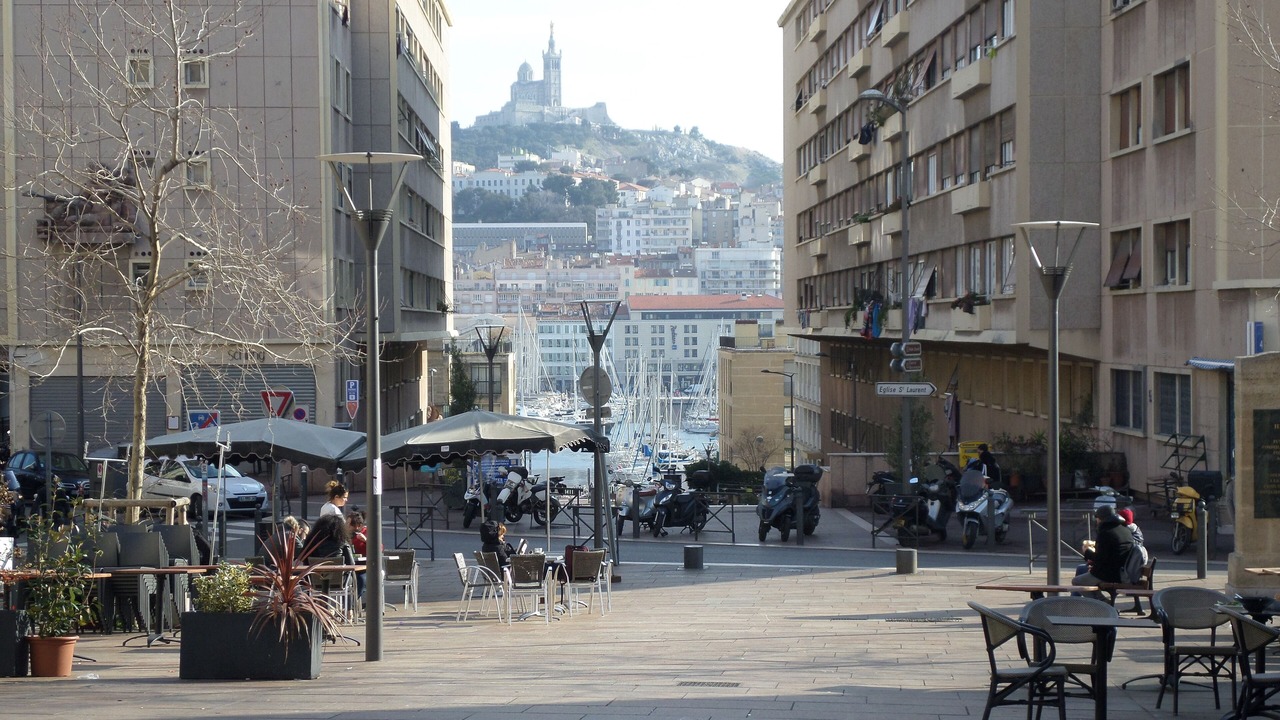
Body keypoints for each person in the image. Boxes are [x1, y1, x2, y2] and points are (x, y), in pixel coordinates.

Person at [1072, 504, 1135, 598]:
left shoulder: (1106, 533)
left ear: (1102, 518)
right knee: (1083, 572)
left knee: (1077, 581)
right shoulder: (1124, 530)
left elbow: (1101, 558)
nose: (1096, 521)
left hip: (1111, 574)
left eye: (1097, 518)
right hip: (1121, 571)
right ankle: (1101, 603)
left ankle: (1102, 604)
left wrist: (1087, 552)